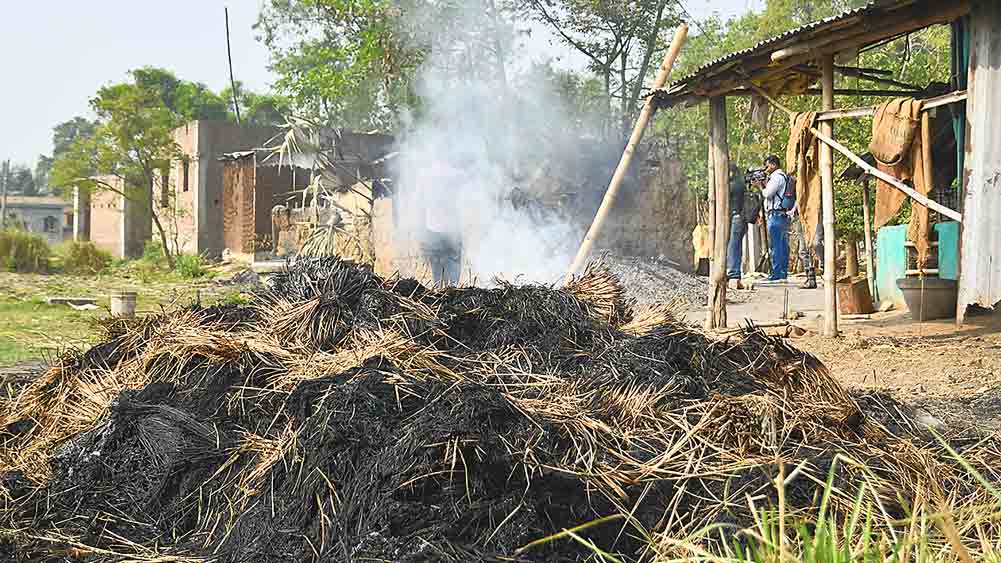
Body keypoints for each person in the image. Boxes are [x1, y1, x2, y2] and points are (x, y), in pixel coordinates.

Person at [760, 155, 790, 281]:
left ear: (773, 164)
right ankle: (782, 272)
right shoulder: (781, 176)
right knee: (782, 244)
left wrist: (760, 186)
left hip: (776, 215)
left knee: (776, 245)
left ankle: (776, 273)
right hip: (780, 214)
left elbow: (767, 193)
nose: (766, 169)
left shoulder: (777, 177)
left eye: (767, 166)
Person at [790, 200, 824, 289]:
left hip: (815, 212)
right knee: (803, 250)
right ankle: (810, 279)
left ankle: (824, 268)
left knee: (816, 243)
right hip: (800, 214)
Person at [726, 164, 747, 289]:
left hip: (736, 218)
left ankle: (733, 273)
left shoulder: (734, 185)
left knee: (733, 246)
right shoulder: (740, 183)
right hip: (740, 219)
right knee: (736, 246)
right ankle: (734, 272)